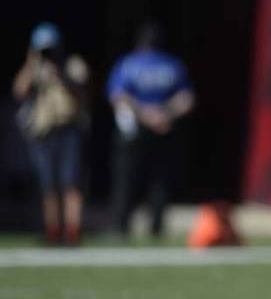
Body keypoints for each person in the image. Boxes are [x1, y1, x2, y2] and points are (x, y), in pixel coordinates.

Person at [107, 23, 195, 238]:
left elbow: (118, 95)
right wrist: (165, 114)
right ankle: (156, 227)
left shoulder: (128, 63)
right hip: (163, 128)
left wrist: (145, 114)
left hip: (135, 129)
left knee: (127, 178)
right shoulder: (172, 66)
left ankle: (121, 225)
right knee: (159, 180)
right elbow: (187, 99)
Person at [12, 23, 90, 245]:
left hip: (69, 129)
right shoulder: (35, 67)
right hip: (44, 131)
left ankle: (73, 231)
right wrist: (32, 63)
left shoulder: (73, 64)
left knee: (71, 182)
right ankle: (53, 231)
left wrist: (60, 73)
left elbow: (82, 88)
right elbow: (18, 91)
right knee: (48, 184)